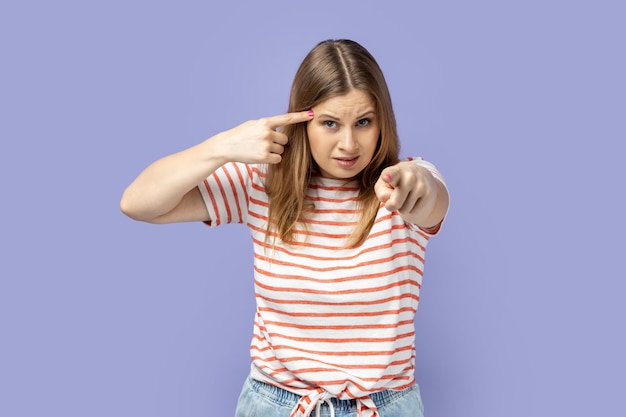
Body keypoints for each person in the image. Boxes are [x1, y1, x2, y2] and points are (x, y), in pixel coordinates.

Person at [121, 39, 449, 417]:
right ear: (302, 121)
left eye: (363, 122)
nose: (348, 144)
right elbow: (137, 203)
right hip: (276, 404)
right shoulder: (261, 183)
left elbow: (431, 199)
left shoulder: (406, 182)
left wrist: (412, 182)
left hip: (383, 406)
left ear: (382, 122)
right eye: (330, 123)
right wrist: (221, 147)